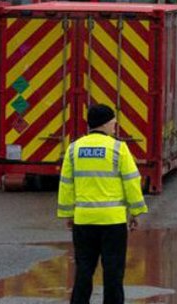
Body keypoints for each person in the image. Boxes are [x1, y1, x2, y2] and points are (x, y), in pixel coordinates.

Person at [57, 104, 148, 304]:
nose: (115, 125)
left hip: (84, 222)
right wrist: (136, 212)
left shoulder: (74, 149)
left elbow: (66, 184)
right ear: (105, 123)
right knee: (113, 273)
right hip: (112, 223)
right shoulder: (119, 148)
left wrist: (68, 214)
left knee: (84, 271)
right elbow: (131, 181)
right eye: (113, 121)